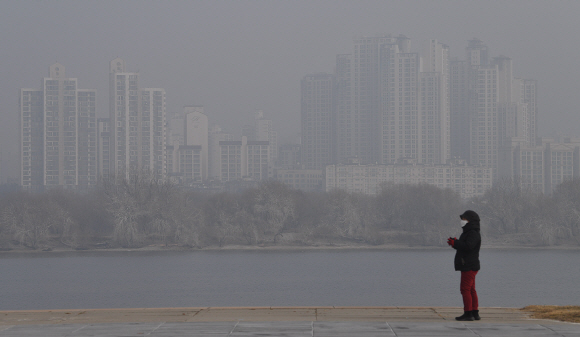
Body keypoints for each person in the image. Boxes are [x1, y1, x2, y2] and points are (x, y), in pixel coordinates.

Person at [447, 210, 481, 321]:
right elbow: (465, 247)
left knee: (465, 289)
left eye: (464, 219)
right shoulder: (469, 232)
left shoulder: (472, 233)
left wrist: (455, 243)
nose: (462, 221)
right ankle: (474, 313)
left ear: (470, 220)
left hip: (469, 265)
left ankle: (468, 314)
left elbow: (468, 247)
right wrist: (455, 243)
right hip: (470, 264)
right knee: (471, 289)